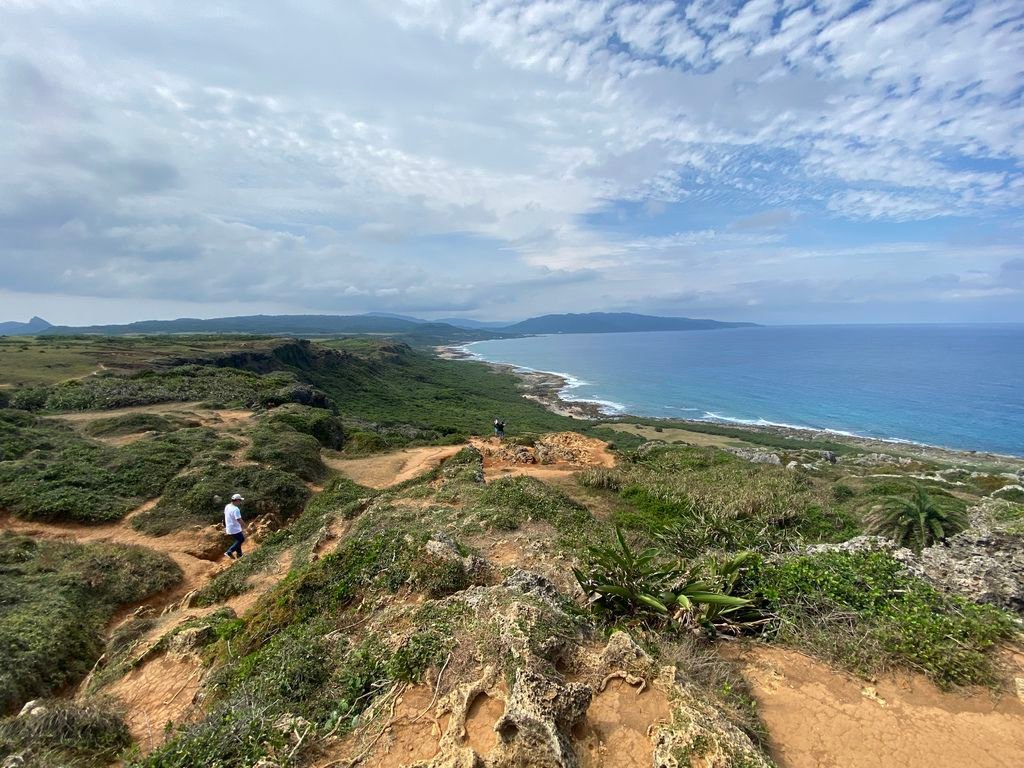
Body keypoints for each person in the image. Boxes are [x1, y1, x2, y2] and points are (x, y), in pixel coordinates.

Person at [224, 493, 246, 559]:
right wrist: (244, 525)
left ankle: (239, 555)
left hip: (229, 527)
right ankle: (229, 552)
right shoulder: (236, 509)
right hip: (235, 528)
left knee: (238, 540)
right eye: (240, 500)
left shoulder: (227, 506)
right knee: (241, 539)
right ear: (237, 500)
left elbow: (226, 515)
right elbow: (238, 519)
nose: (240, 502)